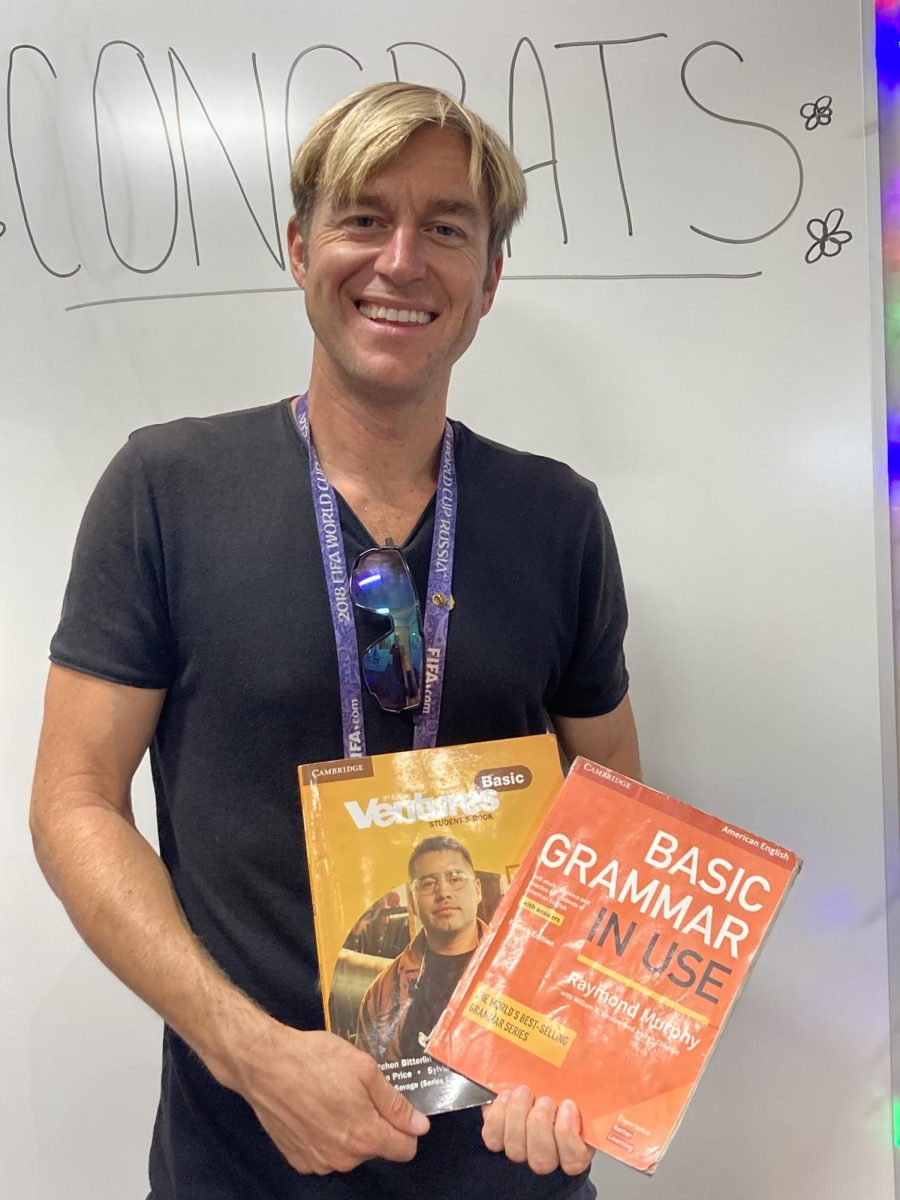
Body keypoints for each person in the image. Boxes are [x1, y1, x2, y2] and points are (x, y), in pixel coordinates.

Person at [29, 82, 641, 1199]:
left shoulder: (557, 516)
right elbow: (73, 802)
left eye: (447, 228)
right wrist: (246, 1052)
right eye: (364, 217)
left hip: (509, 1159)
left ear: (489, 279)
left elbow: (609, 811)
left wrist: (584, 1045)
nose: (401, 261)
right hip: (248, 1159)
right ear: (301, 243)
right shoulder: (165, 490)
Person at [356, 836, 486, 1064]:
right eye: (428, 883)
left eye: (455, 879)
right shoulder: (382, 992)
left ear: (477, 891)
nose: (443, 892)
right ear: (413, 901)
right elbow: (369, 1080)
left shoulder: (518, 965)